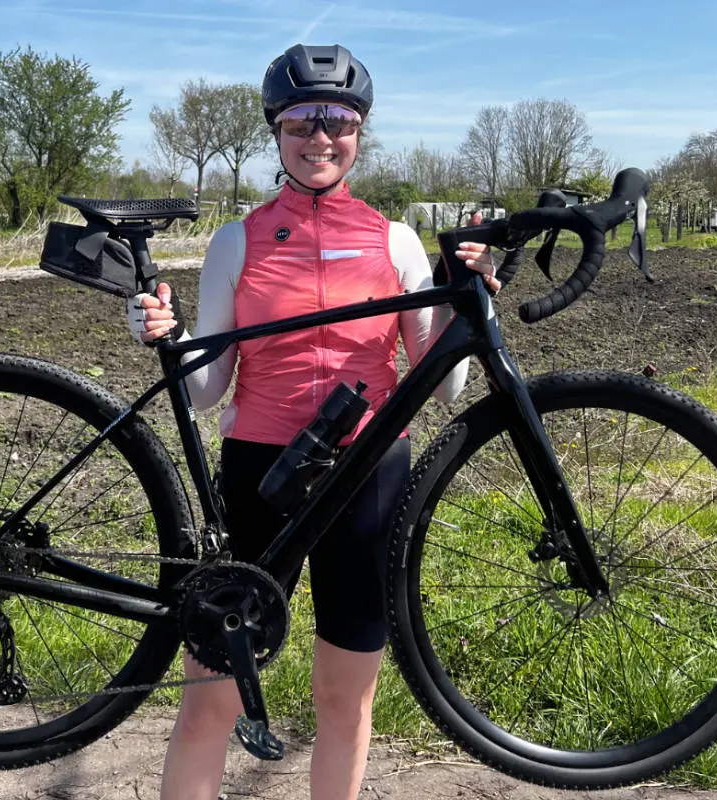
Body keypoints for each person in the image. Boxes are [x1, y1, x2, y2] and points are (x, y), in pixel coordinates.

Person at [128, 43, 496, 800]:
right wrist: (164, 336)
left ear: (359, 132)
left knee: (344, 702)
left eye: (337, 119)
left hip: (369, 481)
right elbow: (205, 394)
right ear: (276, 132)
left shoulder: (395, 241)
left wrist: (465, 301)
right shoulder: (239, 240)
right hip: (261, 475)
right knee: (210, 703)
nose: (320, 136)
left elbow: (446, 388)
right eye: (301, 121)